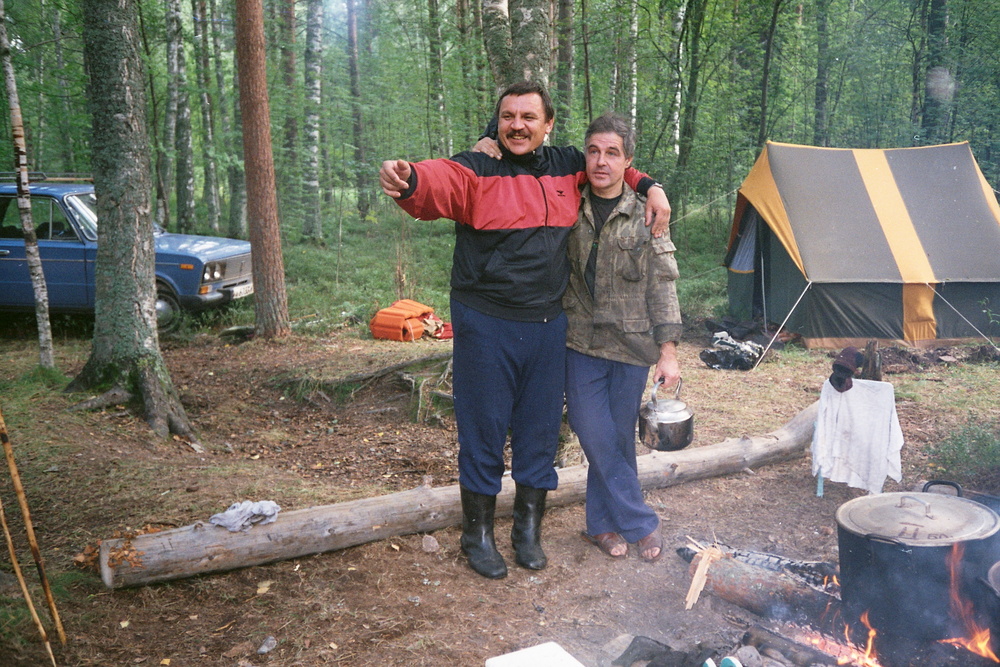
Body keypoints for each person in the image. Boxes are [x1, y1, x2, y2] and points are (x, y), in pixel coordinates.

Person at [379, 81, 670, 579]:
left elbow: (613, 167)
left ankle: (527, 531)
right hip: (486, 323)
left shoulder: (566, 165)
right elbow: (437, 183)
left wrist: (651, 186)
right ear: (497, 122)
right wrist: (409, 179)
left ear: (547, 124)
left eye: (528, 117)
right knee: (484, 428)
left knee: (538, 434)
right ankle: (478, 535)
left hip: (546, 326)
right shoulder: (477, 166)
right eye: (508, 116)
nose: (517, 125)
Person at [564, 112, 681, 562]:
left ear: (627, 161)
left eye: (612, 153)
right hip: (579, 343)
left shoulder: (646, 214)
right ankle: (640, 522)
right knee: (593, 432)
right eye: (593, 151)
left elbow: (663, 284)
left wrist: (667, 352)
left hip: (632, 347)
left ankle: (601, 525)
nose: (601, 161)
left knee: (615, 438)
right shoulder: (566, 206)